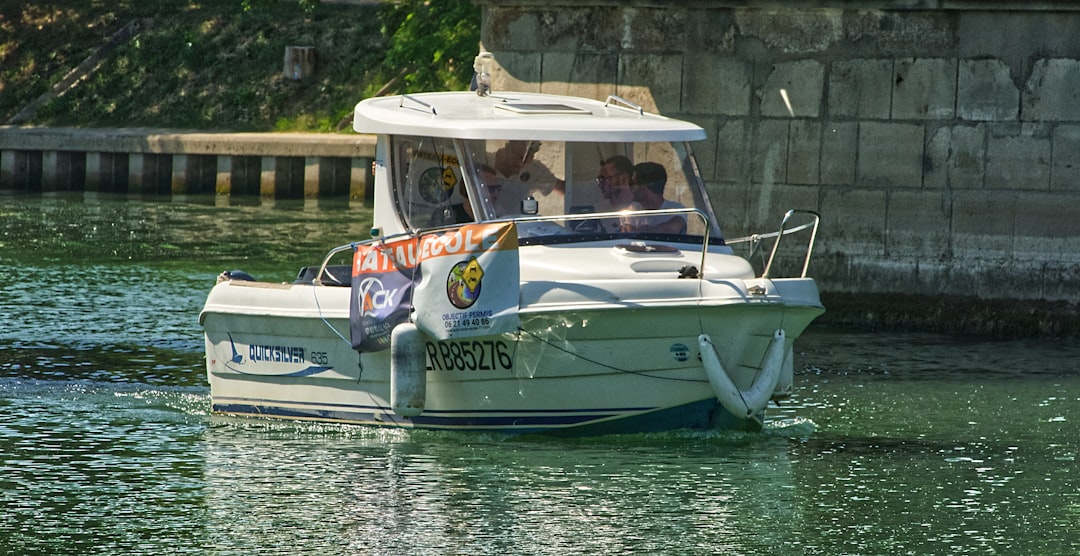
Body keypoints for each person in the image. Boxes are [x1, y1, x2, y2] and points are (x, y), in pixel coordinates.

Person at [491, 140, 564, 215]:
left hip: (519, 221)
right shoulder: (486, 160)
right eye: (518, 157)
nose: (520, 164)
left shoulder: (535, 169)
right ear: (506, 149)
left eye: (527, 161)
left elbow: (565, 190)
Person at [624, 162, 687, 234]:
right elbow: (629, 234)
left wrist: (644, 231)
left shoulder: (677, 209)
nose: (627, 187)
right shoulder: (632, 209)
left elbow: (672, 229)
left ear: (645, 187)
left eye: (631, 183)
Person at [430, 164, 501, 226]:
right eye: (491, 189)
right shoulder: (445, 217)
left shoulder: (496, 222)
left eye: (498, 188)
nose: (496, 195)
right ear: (472, 189)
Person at [593, 155, 641, 233]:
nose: (599, 184)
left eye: (603, 178)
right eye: (598, 180)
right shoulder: (596, 210)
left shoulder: (642, 210)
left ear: (623, 179)